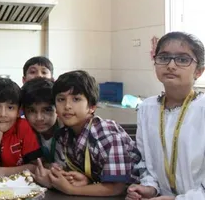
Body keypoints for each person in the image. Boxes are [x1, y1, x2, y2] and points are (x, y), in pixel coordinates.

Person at [35, 70, 141, 196]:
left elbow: (116, 187)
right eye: (61, 99)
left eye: (76, 99)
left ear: (92, 107)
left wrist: (70, 189)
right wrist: (58, 177)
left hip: (135, 193)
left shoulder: (106, 134)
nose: (67, 106)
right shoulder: (65, 135)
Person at [127, 32, 205, 200]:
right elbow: (146, 161)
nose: (171, 65)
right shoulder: (147, 108)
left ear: (199, 71)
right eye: (163, 58)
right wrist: (149, 187)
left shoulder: (202, 109)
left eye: (183, 59)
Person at [21, 78, 59, 164]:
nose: (39, 118)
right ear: (23, 111)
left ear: (58, 108)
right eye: (31, 111)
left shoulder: (68, 130)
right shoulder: (22, 130)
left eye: (47, 110)